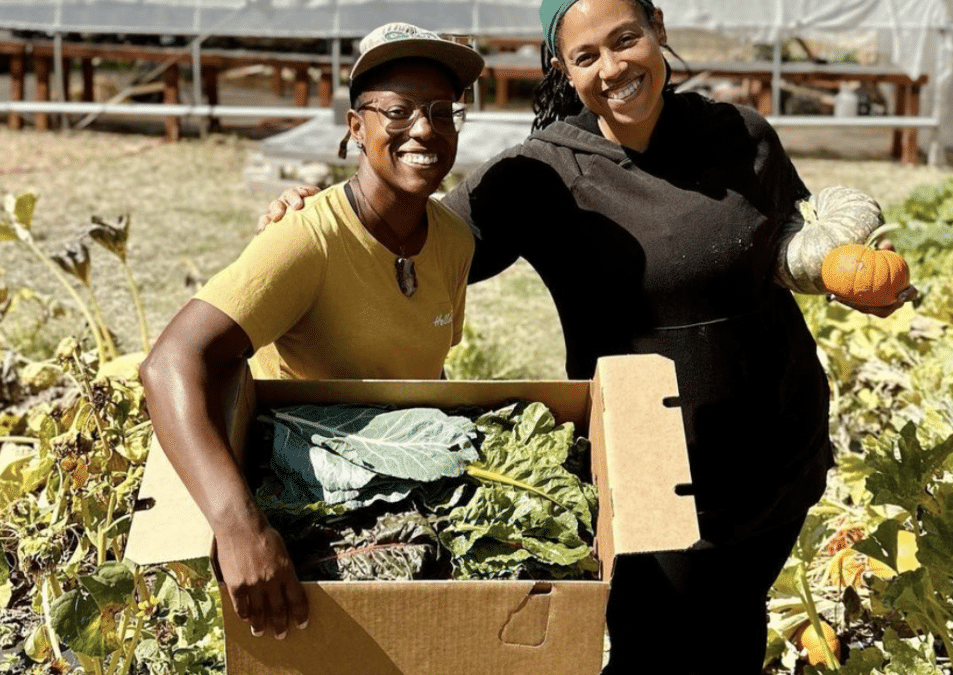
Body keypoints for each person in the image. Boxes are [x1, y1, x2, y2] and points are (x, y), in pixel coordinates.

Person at [258, 0, 917, 671]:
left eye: (625, 39)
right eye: (586, 56)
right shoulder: (542, 175)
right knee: (653, 651)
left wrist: (854, 277)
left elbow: (786, 246)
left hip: (777, 455)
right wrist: (321, 218)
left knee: (734, 634)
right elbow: (419, 237)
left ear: (657, 28)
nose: (612, 67)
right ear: (561, 70)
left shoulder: (737, 133)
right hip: (655, 477)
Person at [139, 23, 484, 643]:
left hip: (394, 499)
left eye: (442, 112)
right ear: (357, 129)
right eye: (399, 112)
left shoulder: (454, 241)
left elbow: (427, 379)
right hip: (301, 503)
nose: (426, 130)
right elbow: (170, 363)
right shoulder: (307, 237)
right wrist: (239, 529)